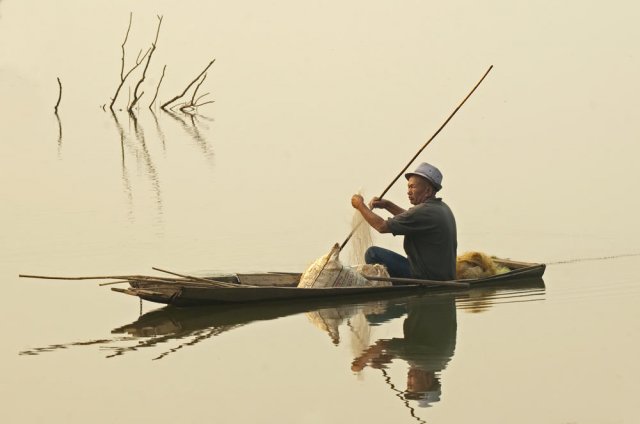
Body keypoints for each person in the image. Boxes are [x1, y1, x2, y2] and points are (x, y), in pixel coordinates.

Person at [350, 162, 457, 281]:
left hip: (425, 277)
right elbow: (411, 219)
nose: (408, 191)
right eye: (408, 187)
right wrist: (387, 205)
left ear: (427, 191)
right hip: (442, 276)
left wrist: (360, 205)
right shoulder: (442, 208)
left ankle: (397, 287)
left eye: (413, 187)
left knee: (372, 253)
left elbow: (382, 226)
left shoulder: (424, 211)